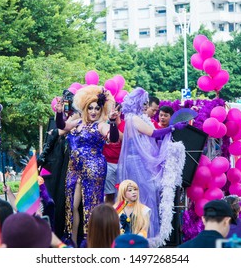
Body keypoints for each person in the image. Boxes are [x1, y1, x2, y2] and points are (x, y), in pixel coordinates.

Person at [117, 87, 186, 245]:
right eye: (144, 103)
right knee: (144, 194)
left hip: (136, 160)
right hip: (136, 162)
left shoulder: (133, 118)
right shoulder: (134, 119)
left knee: (144, 194)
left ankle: (141, 233)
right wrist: (174, 127)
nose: (145, 106)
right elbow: (153, 133)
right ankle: (144, 235)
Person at [55, 85, 119, 246]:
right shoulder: (76, 123)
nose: (93, 111)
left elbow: (113, 138)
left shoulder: (100, 125)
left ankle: (91, 242)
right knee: (72, 205)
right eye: (90, 108)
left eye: (97, 108)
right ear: (85, 108)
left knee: (92, 205)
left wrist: (112, 122)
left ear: (101, 110)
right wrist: (59, 112)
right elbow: (62, 126)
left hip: (94, 167)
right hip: (74, 167)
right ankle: (73, 242)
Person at [103, 103, 125, 204]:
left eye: (115, 111)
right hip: (108, 164)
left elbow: (127, 139)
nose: (111, 113)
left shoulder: (126, 125)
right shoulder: (103, 125)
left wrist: (113, 124)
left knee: (124, 194)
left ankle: (123, 219)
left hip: (123, 164)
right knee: (110, 194)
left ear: (120, 112)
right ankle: (109, 218)